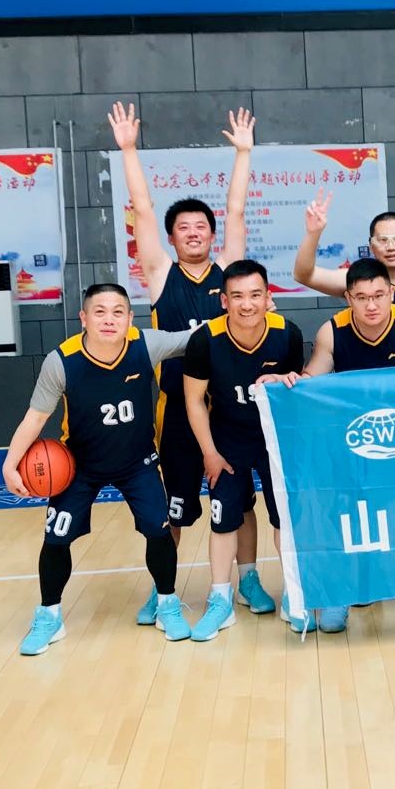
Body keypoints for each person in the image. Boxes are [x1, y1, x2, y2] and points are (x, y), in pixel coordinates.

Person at [107, 101, 276, 622]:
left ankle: (248, 580)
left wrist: (243, 154)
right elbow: (141, 206)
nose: (194, 232)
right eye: (184, 227)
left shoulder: (230, 273)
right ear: (172, 237)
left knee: (239, 501)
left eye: (202, 226)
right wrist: (128, 149)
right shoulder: (160, 274)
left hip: (227, 408)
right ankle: (164, 591)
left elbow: (238, 211)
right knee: (173, 508)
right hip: (178, 410)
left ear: (212, 233)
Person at [268, 257, 395, 631]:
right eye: (361, 297)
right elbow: (311, 380)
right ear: (348, 298)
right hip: (356, 441)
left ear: (391, 294)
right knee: (351, 516)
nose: (371, 305)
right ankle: (342, 591)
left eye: (378, 295)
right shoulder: (332, 331)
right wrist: (288, 381)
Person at [2, 283, 196, 655]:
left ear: (130, 318)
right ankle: (49, 616)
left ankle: (166, 604)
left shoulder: (146, 344)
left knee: (159, 531)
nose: (109, 319)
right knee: (56, 538)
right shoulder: (61, 361)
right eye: (100, 312)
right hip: (79, 465)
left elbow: (194, 338)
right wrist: (10, 464)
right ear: (84, 318)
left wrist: (245, 316)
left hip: (137, 462)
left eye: (118, 312)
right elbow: (35, 418)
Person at [183, 260, 307, 640]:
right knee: (223, 519)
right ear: (224, 301)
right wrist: (209, 452)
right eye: (237, 296)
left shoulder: (287, 334)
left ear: (269, 297)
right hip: (228, 440)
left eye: (255, 295)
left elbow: (297, 387)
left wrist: (288, 378)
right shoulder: (205, 340)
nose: (247, 304)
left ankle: (295, 594)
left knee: (284, 519)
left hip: (275, 440)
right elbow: (194, 400)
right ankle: (222, 598)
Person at [293, 194, 395, 317]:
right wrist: (313, 233)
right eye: (382, 240)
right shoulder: (356, 277)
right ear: (371, 247)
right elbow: (303, 275)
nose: (390, 247)